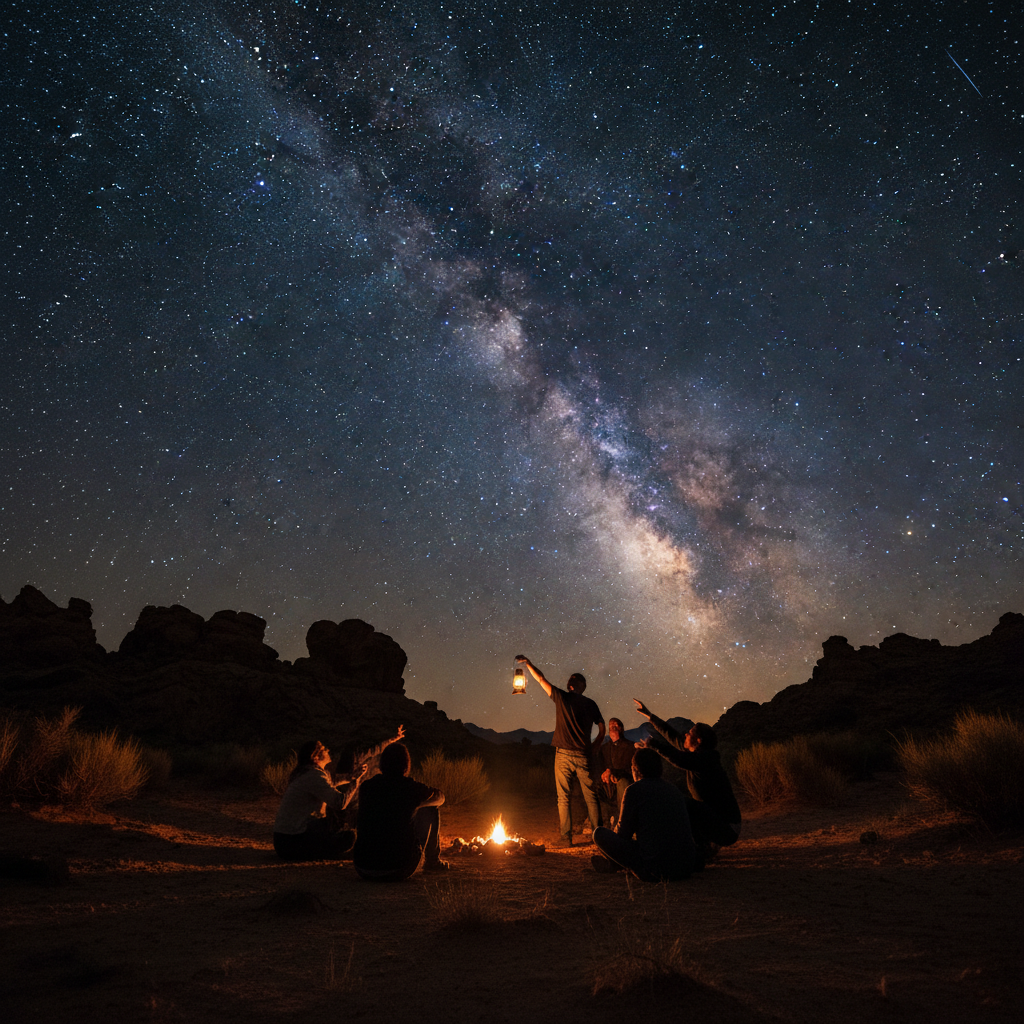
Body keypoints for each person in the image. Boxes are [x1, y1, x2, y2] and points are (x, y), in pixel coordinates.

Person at [633, 699, 741, 862]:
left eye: (689, 733)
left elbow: (677, 758)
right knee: (690, 806)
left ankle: (700, 848)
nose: (685, 734)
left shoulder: (705, 759)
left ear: (698, 741)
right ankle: (702, 848)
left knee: (683, 803)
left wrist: (652, 744)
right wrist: (650, 716)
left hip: (726, 827)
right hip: (716, 821)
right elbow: (673, 737)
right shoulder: (699, 756)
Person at [515, 654, 605, 845]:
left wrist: (529, 663)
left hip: (565, 754)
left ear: (581, 686)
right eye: (569, 679)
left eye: (573, 679)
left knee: (566, 797)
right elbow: (602, 727)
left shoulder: (564, 697)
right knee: (589, 796)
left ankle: (567, 837)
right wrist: (595, 746)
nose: (569, 681)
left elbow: (540, 679)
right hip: (582, 754)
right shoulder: (588, 703)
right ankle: (599, 837)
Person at [591, 747, 695, 881]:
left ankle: (612, 864)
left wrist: (612, 845)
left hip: (654, 870)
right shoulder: (674, 790)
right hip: (685, 868)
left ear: (635, 770)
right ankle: (613, 864)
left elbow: (623, 834)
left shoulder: (634, 790)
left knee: (599, 833)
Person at [353, 742, 448, 881]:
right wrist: (421, 802)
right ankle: (432, 861)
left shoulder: (367, 787)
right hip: (399, 867)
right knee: (430, 809)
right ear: (406, 764)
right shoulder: (410, 787)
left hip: (362, 867)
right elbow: (440, 798)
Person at [273, 740, 366, 861]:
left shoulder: (306, 774)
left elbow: (329, 785)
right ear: (315, 757)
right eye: (323, 749)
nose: (327, 750)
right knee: (348, 837)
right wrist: (355, 782)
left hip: (284, 840)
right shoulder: (314, 775)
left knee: (331, 825)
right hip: (293, 842)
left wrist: (350, 777)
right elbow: (340, 803)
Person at [599, 717, 636, 825]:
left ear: (622, 728)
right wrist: (606, 774)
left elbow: (631, 769)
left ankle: (622, 822)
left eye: (616, 725)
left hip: (624, 780)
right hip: (608, 783)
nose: (613, 727)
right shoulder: (604, 748)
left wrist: (615, 773)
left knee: (623, 783)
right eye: (610, 726)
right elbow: (601, 766)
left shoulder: (630, 746)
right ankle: (604, 824)